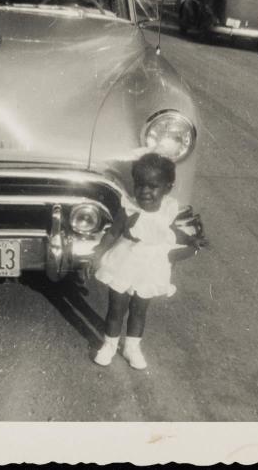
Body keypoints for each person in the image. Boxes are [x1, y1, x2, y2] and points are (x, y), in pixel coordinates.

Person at [91, 152, 207, 369]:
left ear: (167, 188)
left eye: (153, 186)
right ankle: (109, 344)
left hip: (151, 267)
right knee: (117, 308)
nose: (145, 191)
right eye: (140, 184)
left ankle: (132, 347)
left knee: (139, 310)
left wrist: (192, 240)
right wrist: (98, 253)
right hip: (124, 263)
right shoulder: (130, 209)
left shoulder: (168, 211)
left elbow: (171, 233)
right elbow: (112, 234)